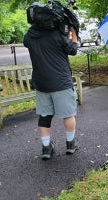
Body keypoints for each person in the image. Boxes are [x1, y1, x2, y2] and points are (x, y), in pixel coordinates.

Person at [23, 22, 79, 160]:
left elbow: (27, 43)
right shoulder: (57, 34)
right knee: (68, 114)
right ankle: (70, 144)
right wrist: (74, 34)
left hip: (42, 82)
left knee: (44, 115)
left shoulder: (30, 35)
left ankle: (46, 148)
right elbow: (73, 50)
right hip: (61, 82)